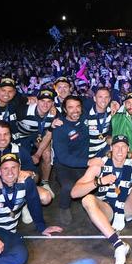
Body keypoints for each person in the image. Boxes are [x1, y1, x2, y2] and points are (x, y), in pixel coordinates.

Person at [71, 135, 132, 264]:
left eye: (123, 147)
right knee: (87, 199)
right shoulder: (99, 166)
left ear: (128, 150)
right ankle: (118, 245)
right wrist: (99, 181)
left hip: (127, 206)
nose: (120, 150)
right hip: (107, 209)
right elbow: (74, 193)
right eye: (117, 147)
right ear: (111, 148)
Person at [51, 96, 90, 226]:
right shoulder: (59, 127)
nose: (75, 110)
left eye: (78, 106)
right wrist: (88, 163)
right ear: (64, 109)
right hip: (64, 165)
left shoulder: (85, 118)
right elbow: (63, 157)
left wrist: (113, 102)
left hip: (83, 163)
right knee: (68, 186)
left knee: (90, 186)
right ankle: (64, 207)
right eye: (70, 107)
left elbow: (98, 100)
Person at [13, 89, 56, 196]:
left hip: (38, 135)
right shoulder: (23, 110)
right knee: (18, 158)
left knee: (47, 154)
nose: (45, 104)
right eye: (42, 101)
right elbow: (11, 123)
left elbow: (49, 134)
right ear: (37, 100)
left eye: (49, 101)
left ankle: (45, 183)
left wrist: (38, 154)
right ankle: (18, 185)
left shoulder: (54, 114)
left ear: (53, 103)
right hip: (21, 135)